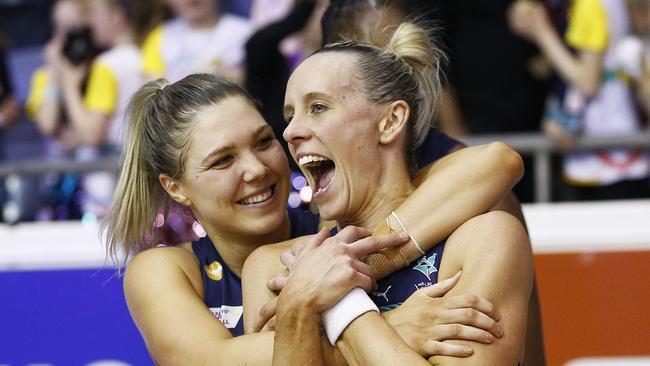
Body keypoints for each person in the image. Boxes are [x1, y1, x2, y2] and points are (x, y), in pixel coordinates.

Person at [104, 73, 525, 363]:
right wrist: (392, 325)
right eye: (223, 160)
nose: (256, 169)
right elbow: (218, 360)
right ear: (175, 187)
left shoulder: (336, 228)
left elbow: (495, 164)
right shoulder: (163, 269)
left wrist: (369, 260)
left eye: (264, 141)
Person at [243, 22, 533, 365]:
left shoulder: (485, 238)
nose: (290, 131)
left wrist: (340, 304)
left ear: (391, 121)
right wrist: (395, 328)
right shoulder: (273, 267)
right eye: (290, 116)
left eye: (318, 107)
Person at [509, 0, 650, 200]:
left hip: (602, 153)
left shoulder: (590, 4)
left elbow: (588, 82)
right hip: (616, 148)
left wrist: (541, 32)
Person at [141, 0, 253, 83]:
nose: (191, 1)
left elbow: (259, 82)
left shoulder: (246, 32)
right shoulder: (160, 37)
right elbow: (151, 89)